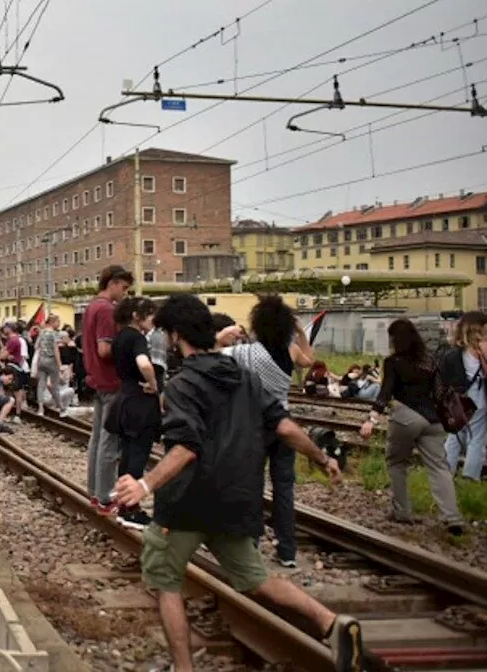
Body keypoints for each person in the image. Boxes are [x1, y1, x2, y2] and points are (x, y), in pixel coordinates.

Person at [112, 293, 362, 672]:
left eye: (166, 334)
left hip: (184, 504)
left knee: (166, 582)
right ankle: (331, 622)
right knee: (256, 579)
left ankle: (184, 668)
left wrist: (145, 485)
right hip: (237, 498)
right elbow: (285, 426)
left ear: (177, 335)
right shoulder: (245, 378)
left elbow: (186, 447)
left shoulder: (181, 384)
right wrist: (323, 457)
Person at [216, 295, 315, 568]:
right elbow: (309, 360)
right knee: (284, 488)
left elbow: (207, 355)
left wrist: (222, 335)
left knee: (253, 486)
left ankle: (252, 545)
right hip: (283, 424)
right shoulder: (291, 350)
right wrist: (298, 331)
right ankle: (287, 551)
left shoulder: (245, 353)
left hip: (254, 425)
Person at [361, 319, 465, 536]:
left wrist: (371, 419)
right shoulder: (430, 361)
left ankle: (402, 511)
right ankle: (452, 516)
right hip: (433, 421)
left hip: (405, 417)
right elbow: (439, 393)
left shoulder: (393, 362)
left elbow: (385, 393)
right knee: (439, 467)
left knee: (397, 462)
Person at [82, 264, 134, 515]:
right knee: (109, 441)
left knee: (97, 438)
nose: (124, 293)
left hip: (97, 380)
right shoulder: (106, 310)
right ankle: (104, 496)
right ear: (112, 283)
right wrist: (129, 348)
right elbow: (105, 349)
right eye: (123, 287)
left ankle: (94, 491)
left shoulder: (91, 306)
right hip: (111, 380)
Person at [105, 296, 159, 530]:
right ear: (137, 316)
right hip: (140, 402)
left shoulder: (119, 338)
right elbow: (144, 364)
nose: (152, 319)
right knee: (137, 455)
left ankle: (122, 501)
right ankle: (131, 509)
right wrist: (153, 382)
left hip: (124, 398)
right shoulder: (137, 337)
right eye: (149, 314)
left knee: (127, 455)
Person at [439, 311, 486, 482]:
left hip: (457, 398)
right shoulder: (481, 348)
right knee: (477, 437)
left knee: (455, 435)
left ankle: (445, 474)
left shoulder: (453, 353)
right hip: (477, 395)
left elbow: (441, 377)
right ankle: (470, 477)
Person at [32, 315, 65, 413]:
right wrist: (60, 365)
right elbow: (56, 350)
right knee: (55, 386)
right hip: (51, 361)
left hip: (41, 361)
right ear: (53, 322)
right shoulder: (53, 333)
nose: (59, 324)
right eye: (58, 321)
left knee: (41, 385)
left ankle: (40, 408)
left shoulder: (42, 332)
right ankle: (61, 408)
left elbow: (36, 346)